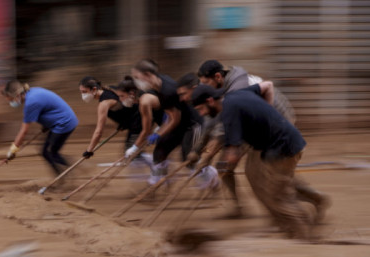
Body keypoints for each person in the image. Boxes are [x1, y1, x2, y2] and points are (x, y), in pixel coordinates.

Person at [190, 83, 329, 239]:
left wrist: (218, 172)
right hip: (277, 146)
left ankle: (304, 234)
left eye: (200, 109)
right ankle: (290, 227)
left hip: (284, 148)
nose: (201, 114)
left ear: (210, 101)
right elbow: (267, 86)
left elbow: (233, 153)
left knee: (277, 197)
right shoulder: (236, 95)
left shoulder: (229, 112)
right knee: (262, 187)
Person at [192, 59, 298, 217]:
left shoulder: (236, 89)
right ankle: (238, 209)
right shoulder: (216, 92)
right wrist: (198, 150)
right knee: (224, 167)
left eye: (206, 82)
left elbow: (222, 130)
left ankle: (289, 211)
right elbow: (211, 121)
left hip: (276, 125)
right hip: (251, 125)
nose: (204, 87)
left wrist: (207, 155)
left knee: (261, 174)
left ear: (218, 77)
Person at [128, 59, 203, 185]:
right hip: (178, 125)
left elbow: (175, 118)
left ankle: (210, 178)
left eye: (137, 77)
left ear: (147, 74)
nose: (136, 81)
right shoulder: (157, 86)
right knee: (159, 152)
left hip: (192, 125)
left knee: (188, 158)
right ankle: (157, 182)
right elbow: (170, 115)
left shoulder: (167, 89)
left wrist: (158, 134)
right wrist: (160, 130)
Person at [2, 80, 79, 175]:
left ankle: (73, 169)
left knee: (51, 153)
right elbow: (47, 108)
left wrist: (13, 151)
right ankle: (62, 175)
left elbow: (24, 131)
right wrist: (46, 124)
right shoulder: (32, 92)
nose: (11, 102)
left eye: (11, 100)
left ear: (17, 95)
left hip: (64, 123)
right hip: (57, 122)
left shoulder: (30, 103)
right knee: (44, 152)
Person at [78, 76, 145, 160]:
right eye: (81, 92)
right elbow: (123, 107)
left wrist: (89, 150)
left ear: (94, 89)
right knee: (131, 154)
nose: (83, 95)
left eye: (84, 92)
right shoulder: (109, 89)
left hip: (140, 120)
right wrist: (123, 122)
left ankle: (150, 167)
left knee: (132, 155)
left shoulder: (103, 104)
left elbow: (98, 132)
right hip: (136, 120)